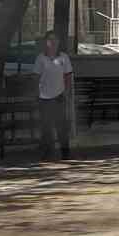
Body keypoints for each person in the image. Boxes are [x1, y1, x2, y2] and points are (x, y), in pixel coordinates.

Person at [34, 29, 73, 159]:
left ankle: (65, 153)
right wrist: (36, 94)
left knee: (61, 126)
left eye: (55, 39)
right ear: (46, 42)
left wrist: (67, 93)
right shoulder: (40, 58)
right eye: (50, 39)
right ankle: (47, 152)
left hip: (59, 96)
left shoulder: (64, 57)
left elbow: (67, 76)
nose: (53, 42)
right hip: (44, 97)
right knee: (46, 127)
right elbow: (36, 77)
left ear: (59, 42)